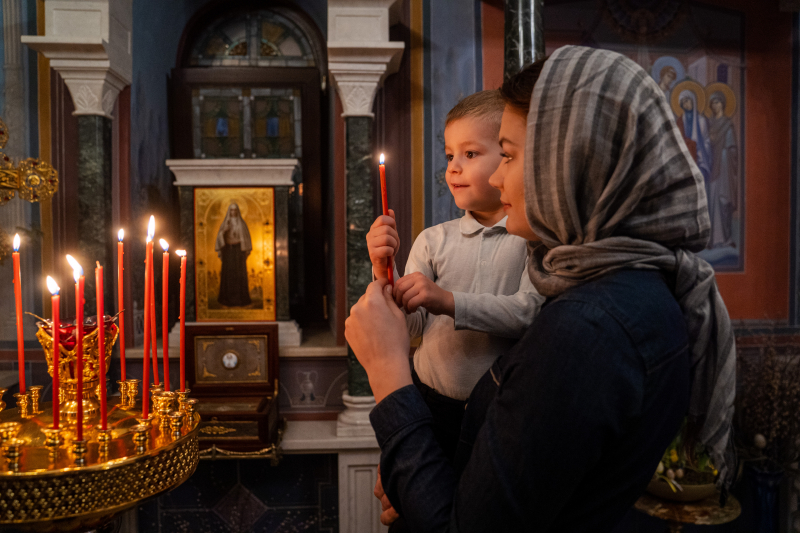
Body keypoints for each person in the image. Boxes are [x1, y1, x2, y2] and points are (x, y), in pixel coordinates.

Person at [346, 45, 736, 532]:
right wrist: (415, 474)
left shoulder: (587, 329)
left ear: (570, 161)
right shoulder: (627, 287)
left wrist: (387, 374)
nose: (496, 175)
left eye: (506, 155)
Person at [366, 90, 544, 464]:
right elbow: (412, 324)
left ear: (507, 159)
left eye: (470, 154)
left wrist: (447, 300)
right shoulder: (433, 240)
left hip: (500, 409)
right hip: (429, 403)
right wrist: (384, 268)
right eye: (449, 155)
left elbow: (529, 314)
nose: (453, 167)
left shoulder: (530, 240)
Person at [707, 91, 739, 248]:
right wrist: (710, 142)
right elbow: (703, 144)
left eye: (718, 102)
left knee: (724, 200)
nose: (715, 105)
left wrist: (727, 153)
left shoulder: (727, 123)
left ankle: (726, 238)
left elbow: (733, 148)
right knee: (711, 201)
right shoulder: (708, 123)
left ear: (723, 104)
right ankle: (712, 239)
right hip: (712, 166)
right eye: (713, 103)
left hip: (725, 167)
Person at [215, 202, 252, 307]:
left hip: (238, 251)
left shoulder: (241, 223)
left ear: (238, 211)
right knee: (229, 273)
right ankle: (226, 299)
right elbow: (220, 237)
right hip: (228, 251)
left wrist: (241, 241)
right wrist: (224, 232)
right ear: (229, 211)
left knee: (239, 274)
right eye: (231, 210)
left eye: (235, 210)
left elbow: (245, 238)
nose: (233, 212)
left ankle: (241, 299)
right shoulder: (226, 223)